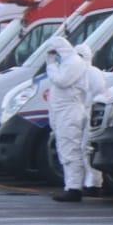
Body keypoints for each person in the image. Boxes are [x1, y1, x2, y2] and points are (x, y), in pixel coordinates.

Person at [46, 36, 88, 202]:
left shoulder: (73, 62)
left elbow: (61, 81)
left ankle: (74, 188)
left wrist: (51, 65)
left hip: (70, 111)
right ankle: (70, 185)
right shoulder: (66, 63)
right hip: (63, 112)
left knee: (70, 149)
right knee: (65, 149)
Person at [76, 42, 108, 197]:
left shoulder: (90, 73)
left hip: (88, 113)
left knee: (86, 149)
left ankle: (93, 183)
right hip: (84, 113)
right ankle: (88, 182)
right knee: (83, 149)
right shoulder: (91, 72)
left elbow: (96, 92)